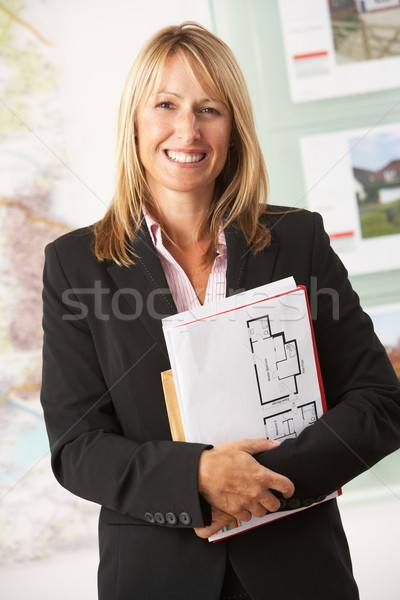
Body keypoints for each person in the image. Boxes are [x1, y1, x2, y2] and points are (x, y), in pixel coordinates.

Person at [40, 22, 400, 600]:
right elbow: (76, 446)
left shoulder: (299, 239)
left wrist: (262, 484)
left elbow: (381, 403)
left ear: (233, 129)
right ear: (135, 119)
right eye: (166, 104)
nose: (188, 129)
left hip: (300, 574)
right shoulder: (74, 266)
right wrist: (197, 479)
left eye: (210, 108)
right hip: (156, 578)